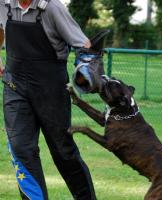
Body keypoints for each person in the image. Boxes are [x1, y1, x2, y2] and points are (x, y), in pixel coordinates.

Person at [0, 0, 97, 199]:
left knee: (63, 152)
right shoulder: (4, 4)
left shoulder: (52, 8)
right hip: (15, 86)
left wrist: (85, 67)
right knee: (20, 149)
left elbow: (84, 45)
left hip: (51, 89)